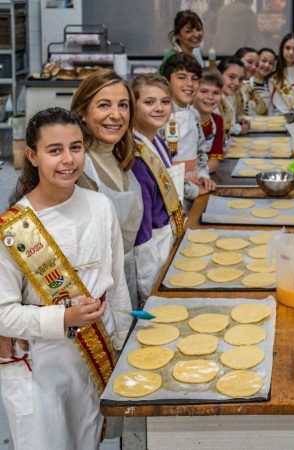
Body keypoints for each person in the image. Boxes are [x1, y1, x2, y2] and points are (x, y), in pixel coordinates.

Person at [0, 107, 132, 449]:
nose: (68, 160)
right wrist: (65, 317)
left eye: (75, 147)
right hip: (38, 364)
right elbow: (3, 313)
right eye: (54, 150)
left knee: (87, 440)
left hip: (92, 355)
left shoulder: (100, 205)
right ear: (32, 155)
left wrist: (122, 345)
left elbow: (115, 283)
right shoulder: (16, 229)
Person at [71, 69, 143, 308]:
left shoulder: (123, 159)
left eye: (123, 105)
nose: (116, 115)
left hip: (126, 278)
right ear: (82, 112)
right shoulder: (76, 167)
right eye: (104, 105)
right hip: (90, 294)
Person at [130, 74, 185, 304]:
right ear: (133, 106)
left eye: (165, 101)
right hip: (154, 248)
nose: (159, 108)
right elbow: (142, 232)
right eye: (149, 102)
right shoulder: (136, 158)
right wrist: (150, 288)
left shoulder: (159, 141)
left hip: (170, 237)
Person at [162, 53, 216, 208]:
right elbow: (163, 167)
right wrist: (192, 190)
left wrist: (203, 175)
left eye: (194, 78)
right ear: (166, 81)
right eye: (181, 77)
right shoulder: (161, 117)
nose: (189, 84)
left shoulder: (194, 114)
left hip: (193, 190)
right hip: (169, 198)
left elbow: (200, 150)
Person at [192, 70, 225, 177]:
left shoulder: (218, 121)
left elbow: (214, 162)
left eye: (216, 93)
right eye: (204, 91)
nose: (210, 97)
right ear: (193, 92)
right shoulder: (183, 120)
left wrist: (202, 176)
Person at [270, 33, 294, 115]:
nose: (291, 52)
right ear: (282, 49)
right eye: (287, 48)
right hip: (277, 122)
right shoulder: (272, 76)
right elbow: (270, 106)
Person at [159, 10, 204, 75]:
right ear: (177, 35)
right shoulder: (171, 58)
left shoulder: (196, 52)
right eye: (189, 31)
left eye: (199, 29)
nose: (196, 34)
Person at [217, 57, 250, 134]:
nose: (237, 83)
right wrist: (239, 129)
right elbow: (220, 128)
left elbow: (232, 120)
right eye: (231, 77)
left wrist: (241, 121)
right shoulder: (212, 98)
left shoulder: (232, 95)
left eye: (240, 79)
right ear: (219, 75)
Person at [235, 48, 269, 117]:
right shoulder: (225, 86)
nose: (254, 67)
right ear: (236, 61)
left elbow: (263, 110)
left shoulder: (246, 88)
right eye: (249, 62)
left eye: (256, 65)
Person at [245, 47, 276, 116]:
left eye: (271, 63)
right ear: (256, 62)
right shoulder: (245, 83)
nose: (267, 65)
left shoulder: (271, 85)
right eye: (264, 61)